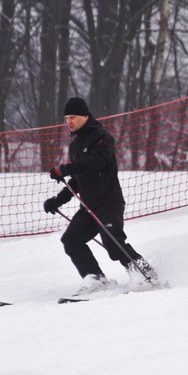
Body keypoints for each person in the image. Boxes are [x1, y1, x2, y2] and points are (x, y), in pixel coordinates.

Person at [43, 97, 161, 295]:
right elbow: (77, 179)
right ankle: (96, 280)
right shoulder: (75, 145)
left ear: (84, 116)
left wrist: (64, 169)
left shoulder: (101, 137)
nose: (68, 122)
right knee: (71, 240)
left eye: (72, 117)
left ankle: (147, 276)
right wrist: (58, 200)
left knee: (113, 243)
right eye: (66, 118)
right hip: (89, 207)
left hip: (109, 203)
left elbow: (95, 162)